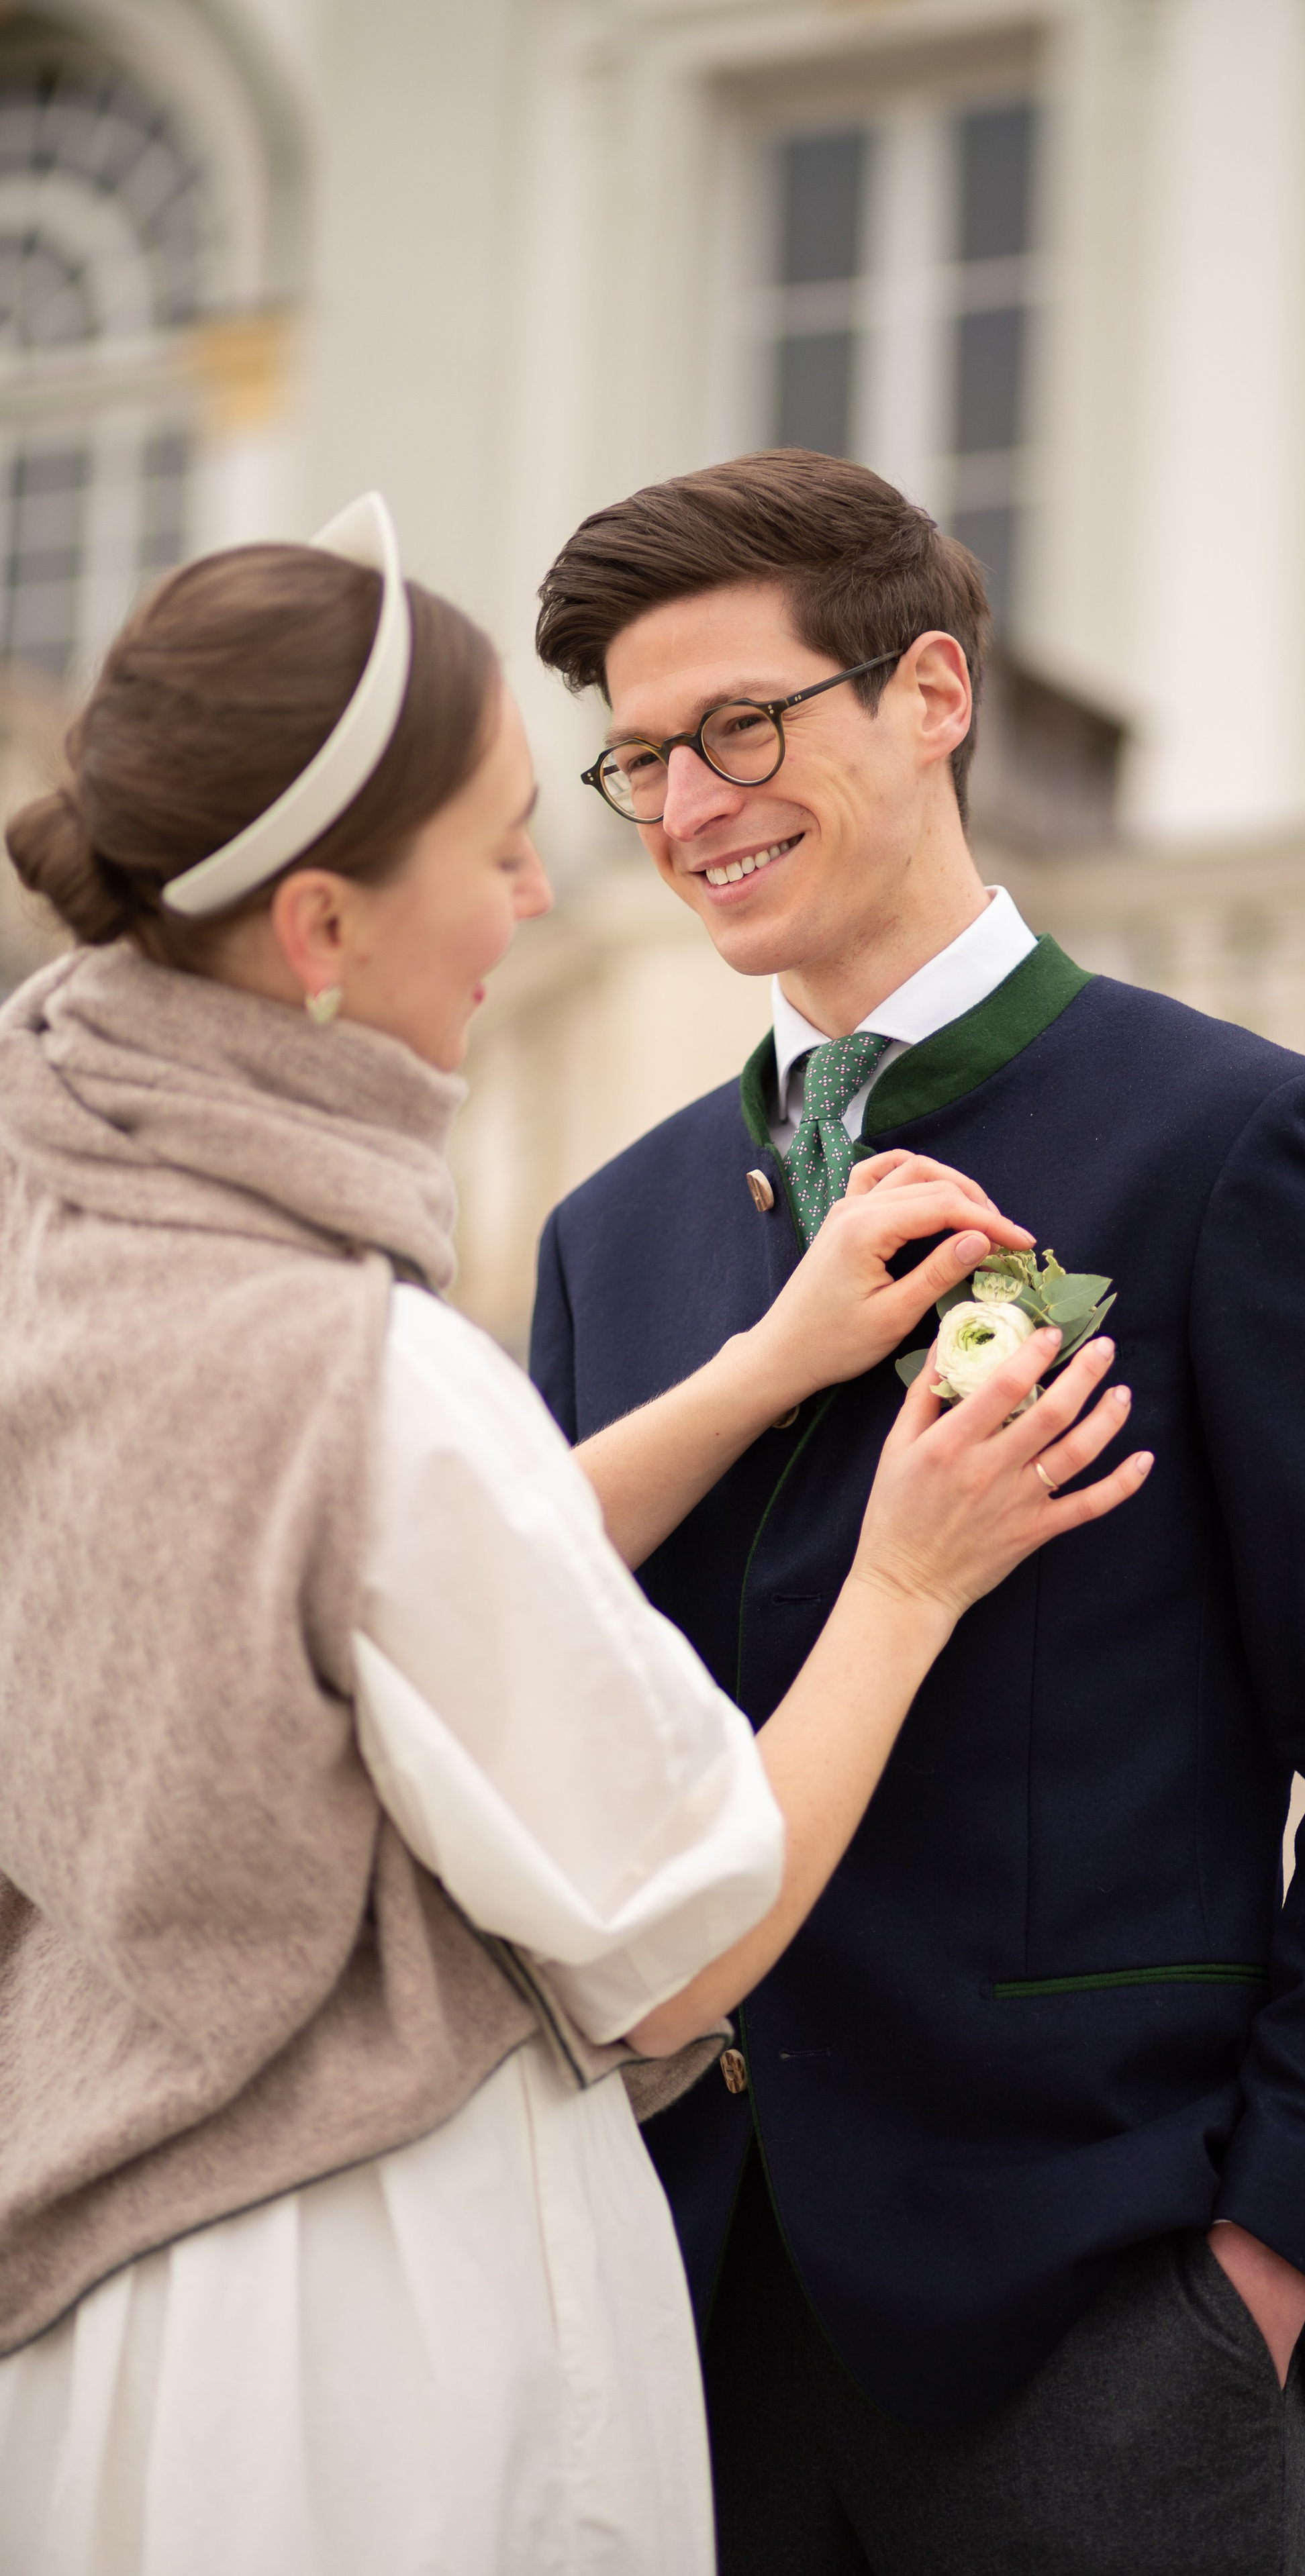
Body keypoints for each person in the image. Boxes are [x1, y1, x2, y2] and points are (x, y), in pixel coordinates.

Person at [0, 497, 1146, 2576]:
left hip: (107, 2340)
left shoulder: (61, 1261)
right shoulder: (363, 1367)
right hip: (372, 2357)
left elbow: (361, 1576)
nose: (544, 895)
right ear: (323, 930)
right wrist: (905, 1584)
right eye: (506, 842)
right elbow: (686, 1937)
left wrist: (756, 1374)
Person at [528, 448, 1305, 2576]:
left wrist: (1276, 2261)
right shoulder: (607, 1243)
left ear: (932, 695)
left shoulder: (1242, 1146)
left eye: (741, 727)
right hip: (669, 2330)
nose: (690, 807)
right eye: (640, 761)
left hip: (1102, 2329)